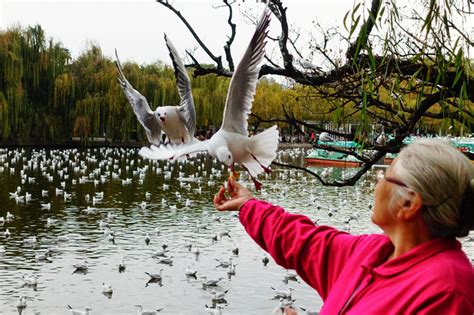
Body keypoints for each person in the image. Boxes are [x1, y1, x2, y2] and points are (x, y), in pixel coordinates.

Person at [213, 138, 474, 314]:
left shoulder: (447, 292)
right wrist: (248, 205)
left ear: (408, 203)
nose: (377, 183)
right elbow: (305, 242)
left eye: (385, 176)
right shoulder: (375, 254)